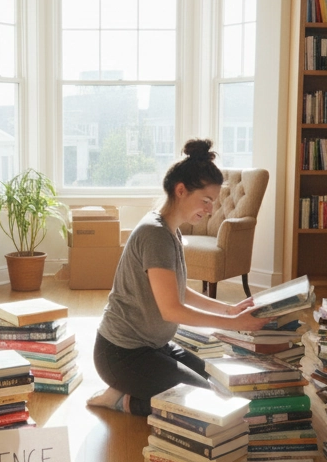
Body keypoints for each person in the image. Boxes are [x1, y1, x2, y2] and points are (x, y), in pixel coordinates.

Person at [87, 138, 267, 415]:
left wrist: (229, 308)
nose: (210, 210)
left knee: (219, 385)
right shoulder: (155, 234)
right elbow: (172, 310)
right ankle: (120, 399)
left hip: (155, 347)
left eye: (213, 202)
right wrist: (232, 322)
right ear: (180, 190)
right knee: (205, 406)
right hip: (121, 355)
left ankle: (134, 386)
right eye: (205, 201)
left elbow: (178, 291)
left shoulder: (171, 231)